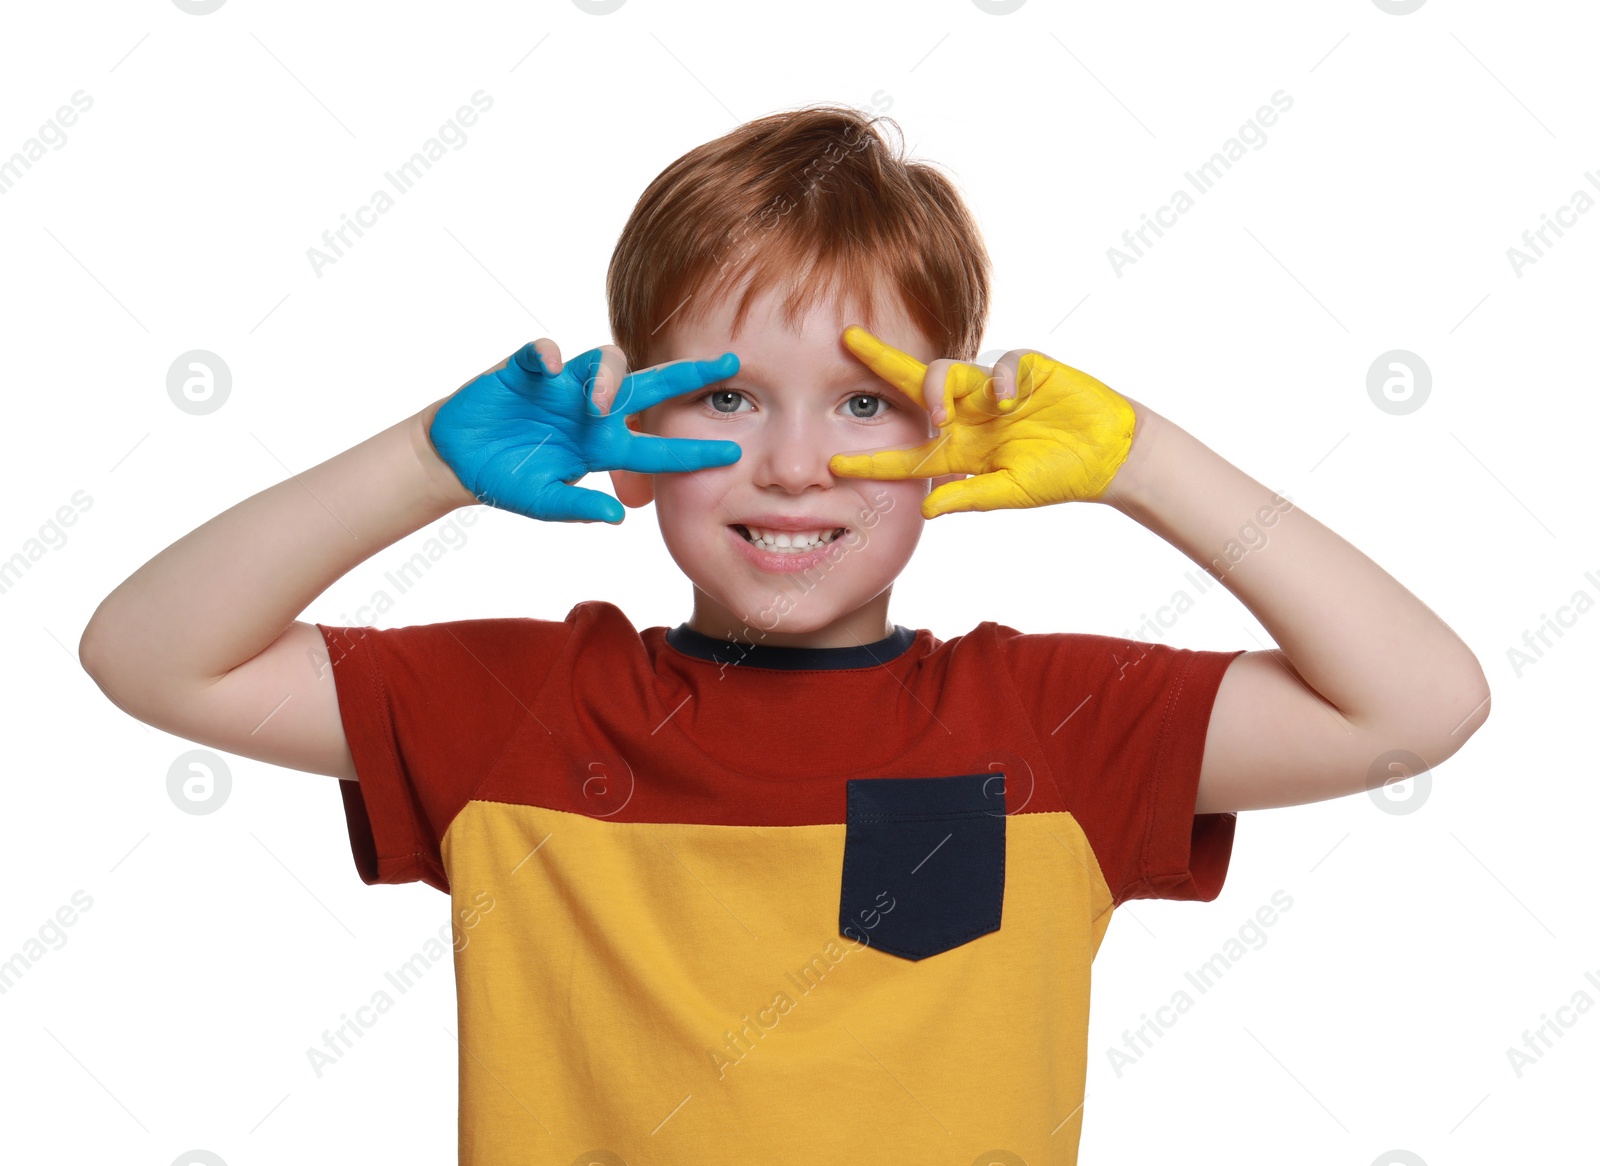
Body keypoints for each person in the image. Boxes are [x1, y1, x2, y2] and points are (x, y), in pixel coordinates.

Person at [79, 103, 1491, 1165]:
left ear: (948, 441)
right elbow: (147, 654)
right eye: (731, 398)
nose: (796, 463)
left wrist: (1141, 458)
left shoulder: (1055, 718)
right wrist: (423, 463)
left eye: (864, 402)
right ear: (634, 434)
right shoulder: (522, 707)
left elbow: (1417, 705)